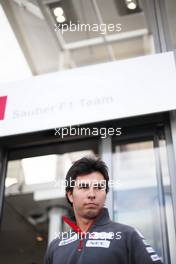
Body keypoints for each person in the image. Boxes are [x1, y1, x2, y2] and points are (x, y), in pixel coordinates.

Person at [44, 157, 163, 264]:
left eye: (98, 187)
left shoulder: (127, 235)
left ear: (105, 194)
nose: (91, 194)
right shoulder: (56, 246)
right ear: (70, 195)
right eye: (84, 187)